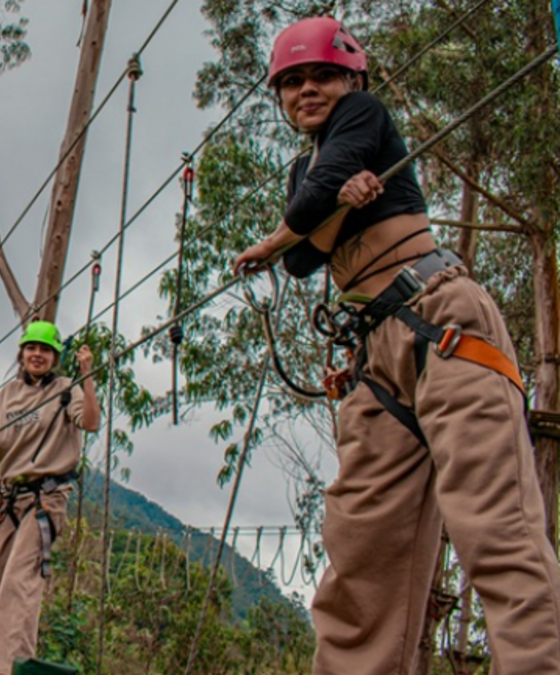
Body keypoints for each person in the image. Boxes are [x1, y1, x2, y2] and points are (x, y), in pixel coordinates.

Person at [233, 17, 560, 674]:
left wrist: (288, 230)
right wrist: (328, 207)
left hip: (441, 320)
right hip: (375, 355)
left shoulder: (365, 114)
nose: (308, 90)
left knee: (495, 529)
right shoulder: (303, 168)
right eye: (292, 82)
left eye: (322, 75)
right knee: (362, 555)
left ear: (353, 79)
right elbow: (304, 258)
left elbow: (299, 233)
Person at [0, 321, 99, 675]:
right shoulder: (8, 393)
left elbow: (90, 423)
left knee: (18, 586)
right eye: (32, 348)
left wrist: (87, 375)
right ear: (22, 354)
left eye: (45, 350)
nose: (37, 355)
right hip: (7, 500)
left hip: (45, 500)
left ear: (55, 357)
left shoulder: (65, 389)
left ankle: (8, 670)